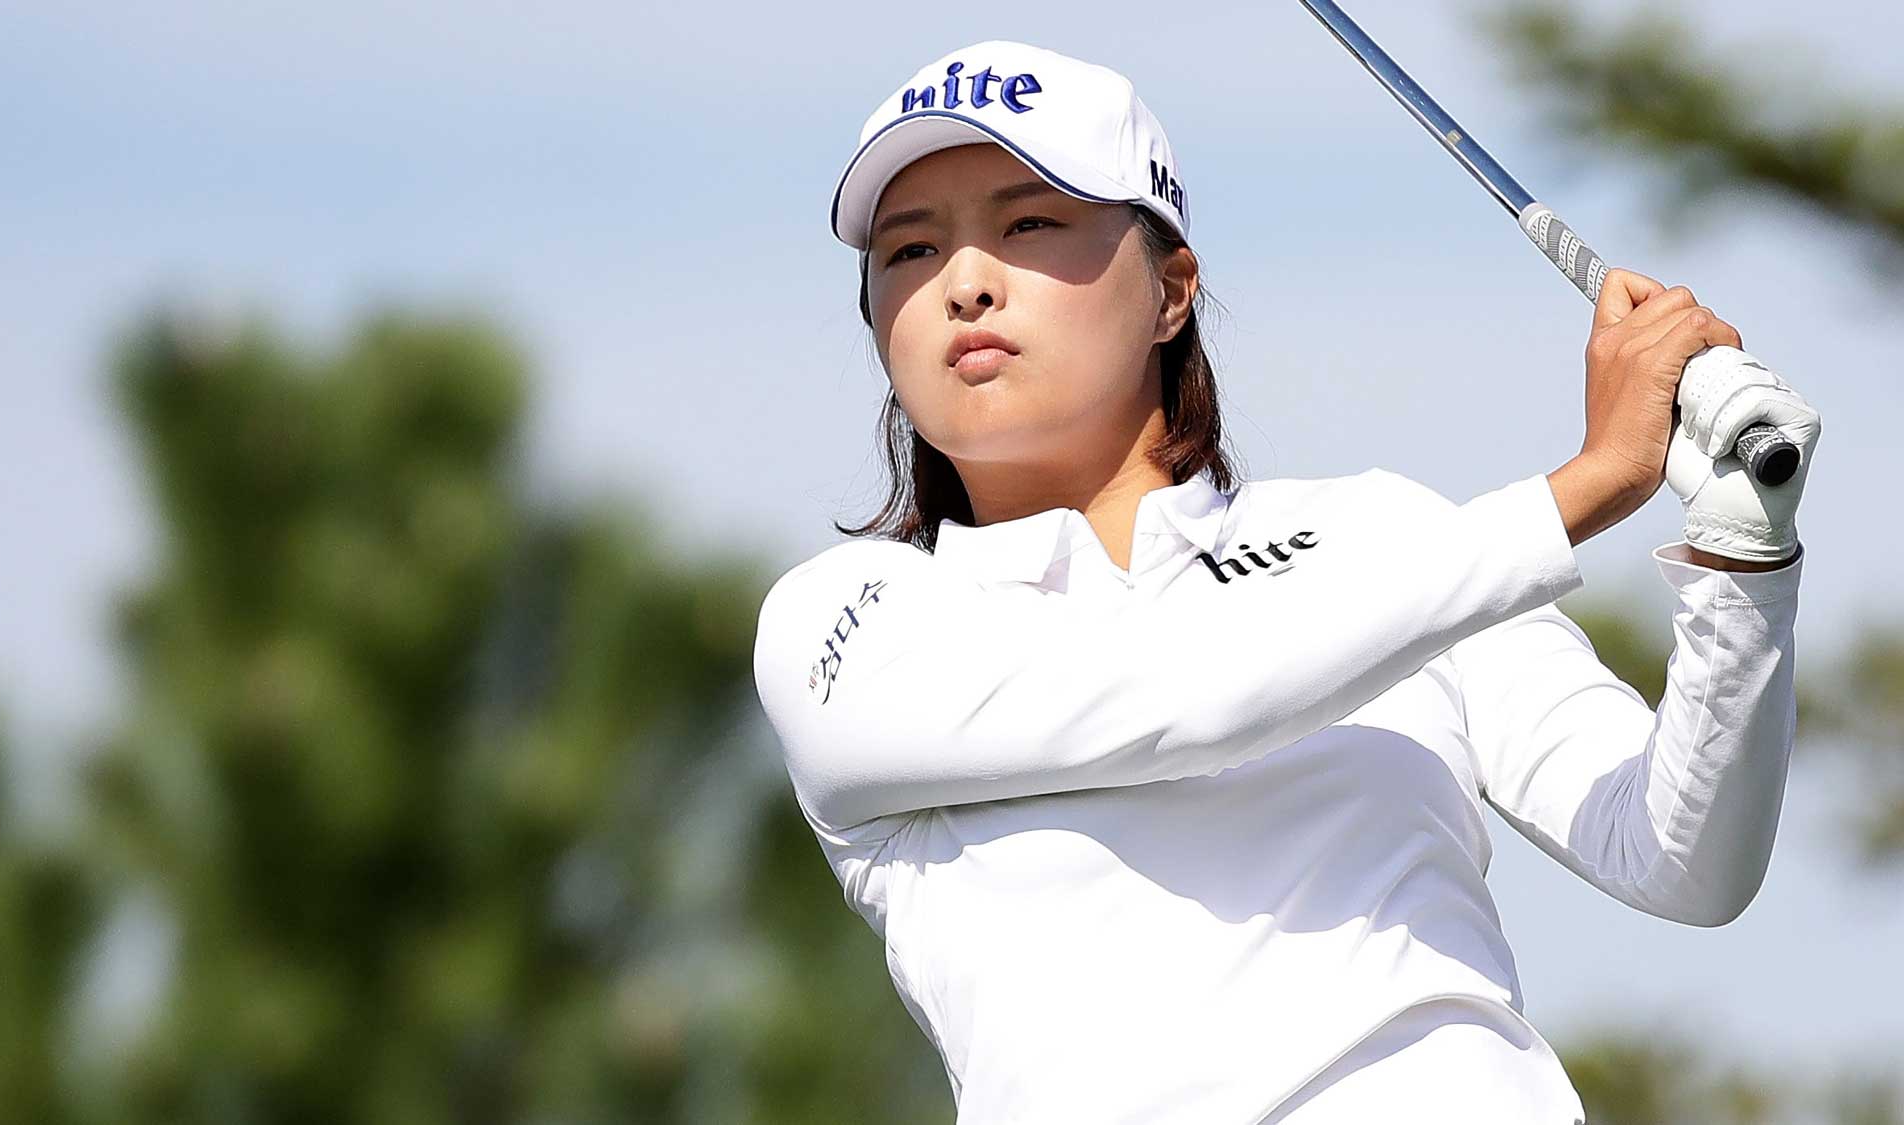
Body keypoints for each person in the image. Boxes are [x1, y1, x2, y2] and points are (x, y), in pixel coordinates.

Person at [750, 39, 1822, 1125]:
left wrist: (1741, 555)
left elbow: (1680, 861)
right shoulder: (846, 626)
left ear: (1170, 291)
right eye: (909, 251)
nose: (963, 283)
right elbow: (1180, 703)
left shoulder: (1381, 536)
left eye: (1027, 224)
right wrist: (1582, 488)